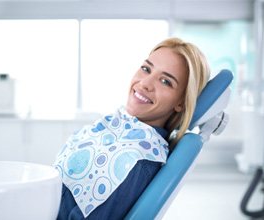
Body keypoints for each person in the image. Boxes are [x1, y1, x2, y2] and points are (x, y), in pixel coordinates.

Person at [54, 37, 210, 219]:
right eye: (146, 69)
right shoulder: (116, 126)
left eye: (165, 81)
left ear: (181, 103)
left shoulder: (136, 160)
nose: (144, 83)